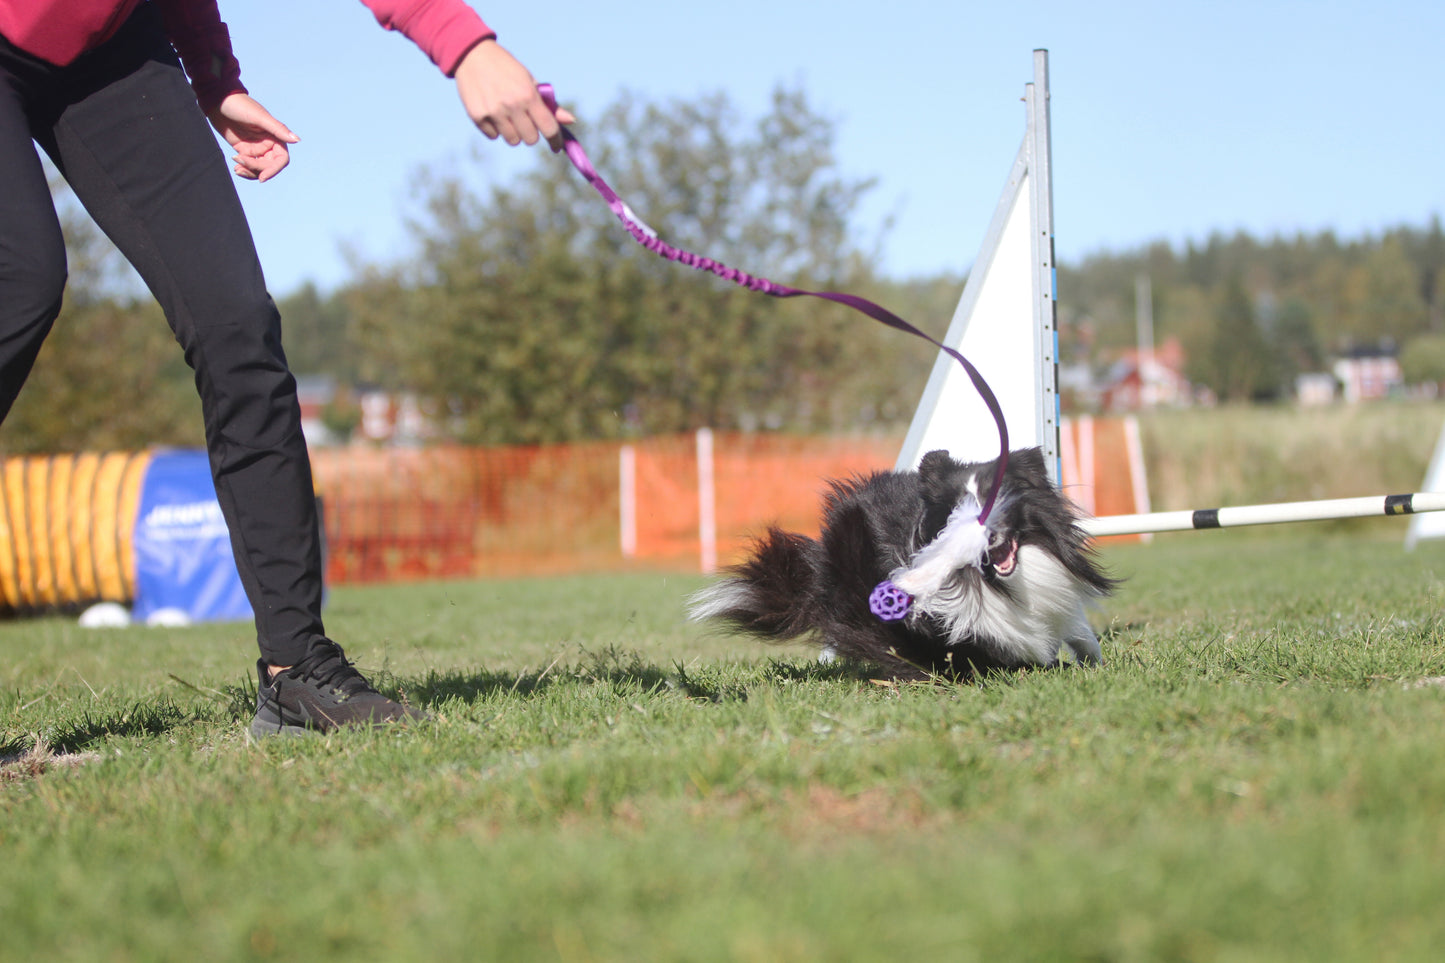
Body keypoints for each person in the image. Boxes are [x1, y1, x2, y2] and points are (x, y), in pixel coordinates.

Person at [0, 0, 573, 736]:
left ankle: (296, 671)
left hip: (110, 48)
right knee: (20, 277)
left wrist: (215, 78)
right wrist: (467, 47)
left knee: (237, 325)